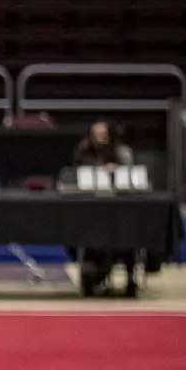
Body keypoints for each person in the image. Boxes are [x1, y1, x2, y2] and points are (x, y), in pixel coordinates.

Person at [71, 120, 138, 297]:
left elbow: (132, 177)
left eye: (103, 134)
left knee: (129, 237)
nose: (100, 137)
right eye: (96, 134)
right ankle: (92, 274)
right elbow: (78, 170)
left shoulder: (122, 152)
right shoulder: (84, 149)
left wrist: (117, 170)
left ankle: (130, 278)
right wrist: (98, 168)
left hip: (119, 208)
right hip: (92, 207)